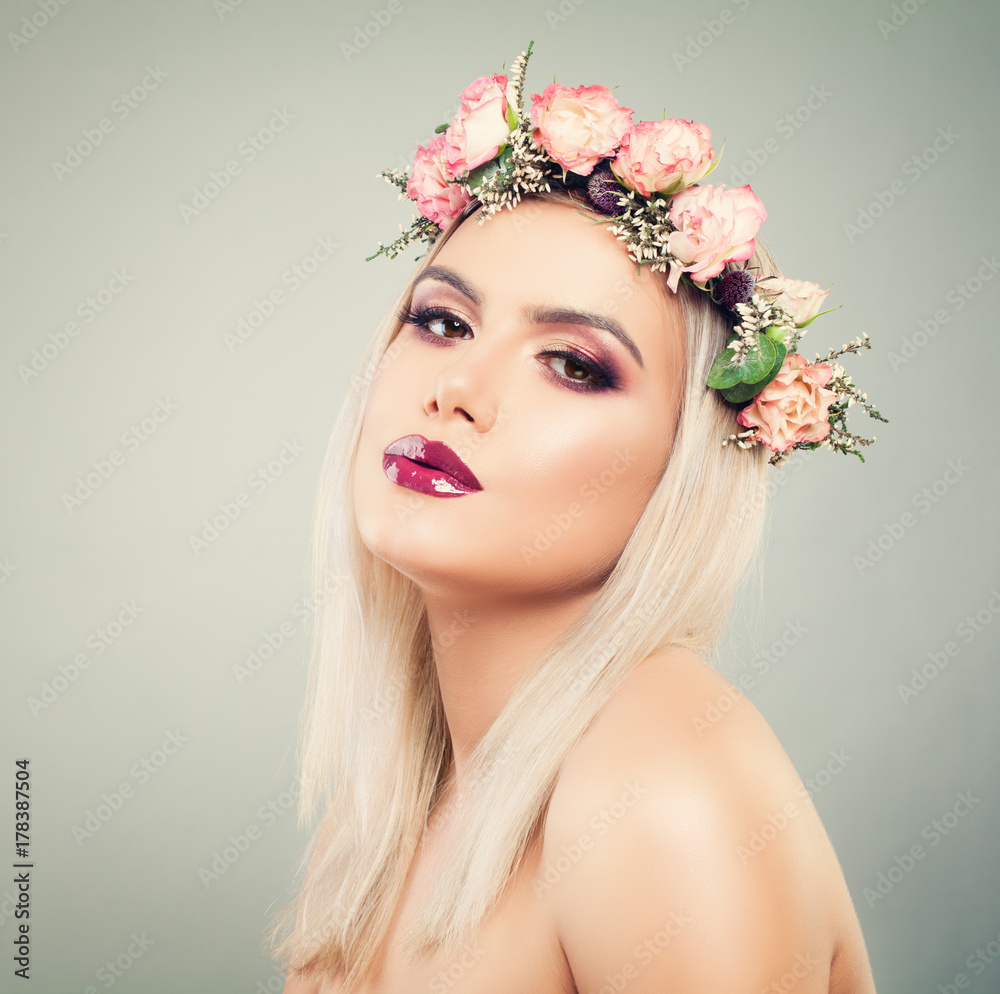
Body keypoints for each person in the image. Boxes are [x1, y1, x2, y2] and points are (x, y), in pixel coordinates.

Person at [272, 44, 880, 994]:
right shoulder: (395, 809)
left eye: (574, 364)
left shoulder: (659, 786)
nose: (458, 391)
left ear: (680, 471)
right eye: (442, 322)